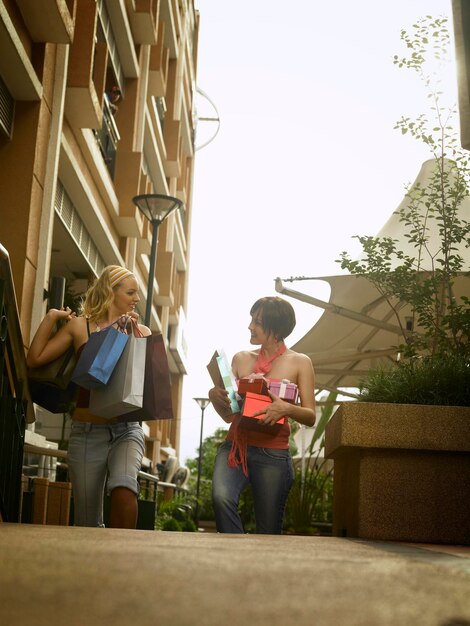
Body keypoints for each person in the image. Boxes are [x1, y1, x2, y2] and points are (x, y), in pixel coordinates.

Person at [26, 265, 151, 528]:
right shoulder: (79, 327)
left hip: (126, 429)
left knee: (125, 488)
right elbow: (35, 358)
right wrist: (51, 317)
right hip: (86, 431)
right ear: (110, 292)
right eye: (130, 292)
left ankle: (126, 561)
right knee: (87, 521)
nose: (136, 299)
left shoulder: (142, 332)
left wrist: (134, 337)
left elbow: (145, 386)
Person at [209, 296, 316, 534]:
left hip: (273, 454)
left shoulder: (300, 362)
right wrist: (214, 396)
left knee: (268, 530)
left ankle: (257, 568)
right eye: (251, 320)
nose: (250, 326)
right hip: (235, 447)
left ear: (276, 329)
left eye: (257, 322)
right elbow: (229, 415)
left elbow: (310, 416)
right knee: (221, 498)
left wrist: (286, 408)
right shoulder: (241, 358)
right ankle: (236, 557)